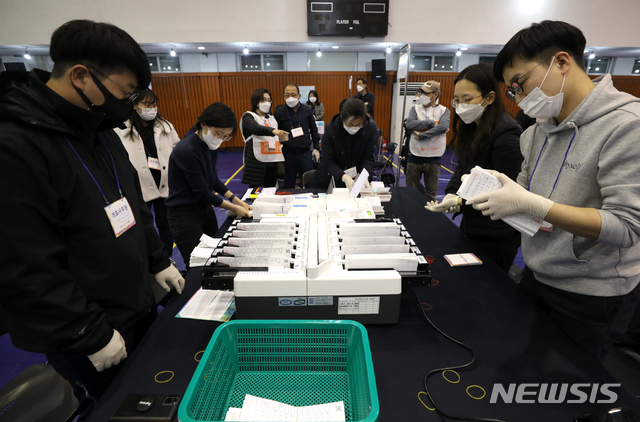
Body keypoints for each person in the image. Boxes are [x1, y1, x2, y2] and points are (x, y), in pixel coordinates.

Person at [0, 20, 184, 420]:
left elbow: (132, 205)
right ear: (81, 76)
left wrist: (157, 259)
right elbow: (26, 264)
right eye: (124, 92)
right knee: (110, 409)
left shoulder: (100, 131)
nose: (129, 104)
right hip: (88, 331)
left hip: (135, 304)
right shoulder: (17, 145)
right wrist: (88, 333)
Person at [468, 20, 640, 361]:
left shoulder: (626, 125)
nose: (518, 98)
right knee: (521, 369)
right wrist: (496, 191)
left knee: (574, 392)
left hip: (592, 291)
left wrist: (536, 205)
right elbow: (527, 193)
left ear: (562, 63)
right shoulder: (535, 132)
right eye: (511, 91)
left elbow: (627, 227)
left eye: (519, 83)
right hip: (536, 272)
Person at [425, 63, 523, 272]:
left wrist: (461, 201)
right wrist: (452, 194)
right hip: (473, 224)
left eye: (467, 100)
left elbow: (505, 190)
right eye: (457, 100)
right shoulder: (472, 127)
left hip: (497, 232)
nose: (461, 106)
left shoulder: (507, 134)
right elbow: (463, 167)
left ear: (489, 98)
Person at [166, 102, 252, 267]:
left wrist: (236, 200)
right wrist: (234, 208)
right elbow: (202, 192)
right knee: (198, 264)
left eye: (225, 136)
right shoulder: (187, 150)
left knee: (216, 256)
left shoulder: (209, 146)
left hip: (204, 209)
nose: (220, 139)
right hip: (184, 215)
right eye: (218, 133)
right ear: (203, 124)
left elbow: (212, 179)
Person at [114, 88, 180, 258]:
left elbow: (176, 148)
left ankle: (167, 258)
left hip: (164, 184)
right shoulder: (121, 128)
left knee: (166, 225)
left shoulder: (165, 126)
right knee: (141, 225)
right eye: (147, 104)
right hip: (139, 186)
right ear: (134, 105)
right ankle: (147, 261)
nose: (152, 108)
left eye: (154, 104)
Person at [314, 98, 377, 190]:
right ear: (342, 116)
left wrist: (364, 176)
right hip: (333, 178)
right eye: (351, 124)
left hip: (358, 178)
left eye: (358, 124)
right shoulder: (331, 129)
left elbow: (368, 157)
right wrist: (344, 177)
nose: (354, 127)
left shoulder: (369, 128)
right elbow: (328, 161)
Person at [404, 80, 450, 202]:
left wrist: (423, 134)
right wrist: (430, 123)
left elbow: (443, 127)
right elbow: (410, 124)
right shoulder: (415, 109)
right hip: (415, 157)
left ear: (435, 95)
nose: (423, 95)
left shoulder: (444, 111)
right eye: (422, 92)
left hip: (434, 159)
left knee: (431, 194)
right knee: (410, 193)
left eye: (427, 93)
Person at [274, 83, 320, 188]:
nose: (290, 97)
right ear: (284, 96)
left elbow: (313, 129)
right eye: (287, 95)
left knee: (310, 183)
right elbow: (275, 132)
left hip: (305, 153)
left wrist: (316, 148)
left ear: (299, 96)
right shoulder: (279, 111)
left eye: (293, 95)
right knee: (289, 184)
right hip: (288, 153)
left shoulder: (307, 110)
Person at [240, 88, 288, 188]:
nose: (267, 103)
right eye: (263, 100)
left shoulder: (272, 119)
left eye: (269, 100)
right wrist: (273, 131)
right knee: (255, 193)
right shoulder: (249, 116)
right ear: (257, 102)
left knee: (271, 191)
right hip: (256, 164)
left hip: (272, 162)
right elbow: (255, 128)